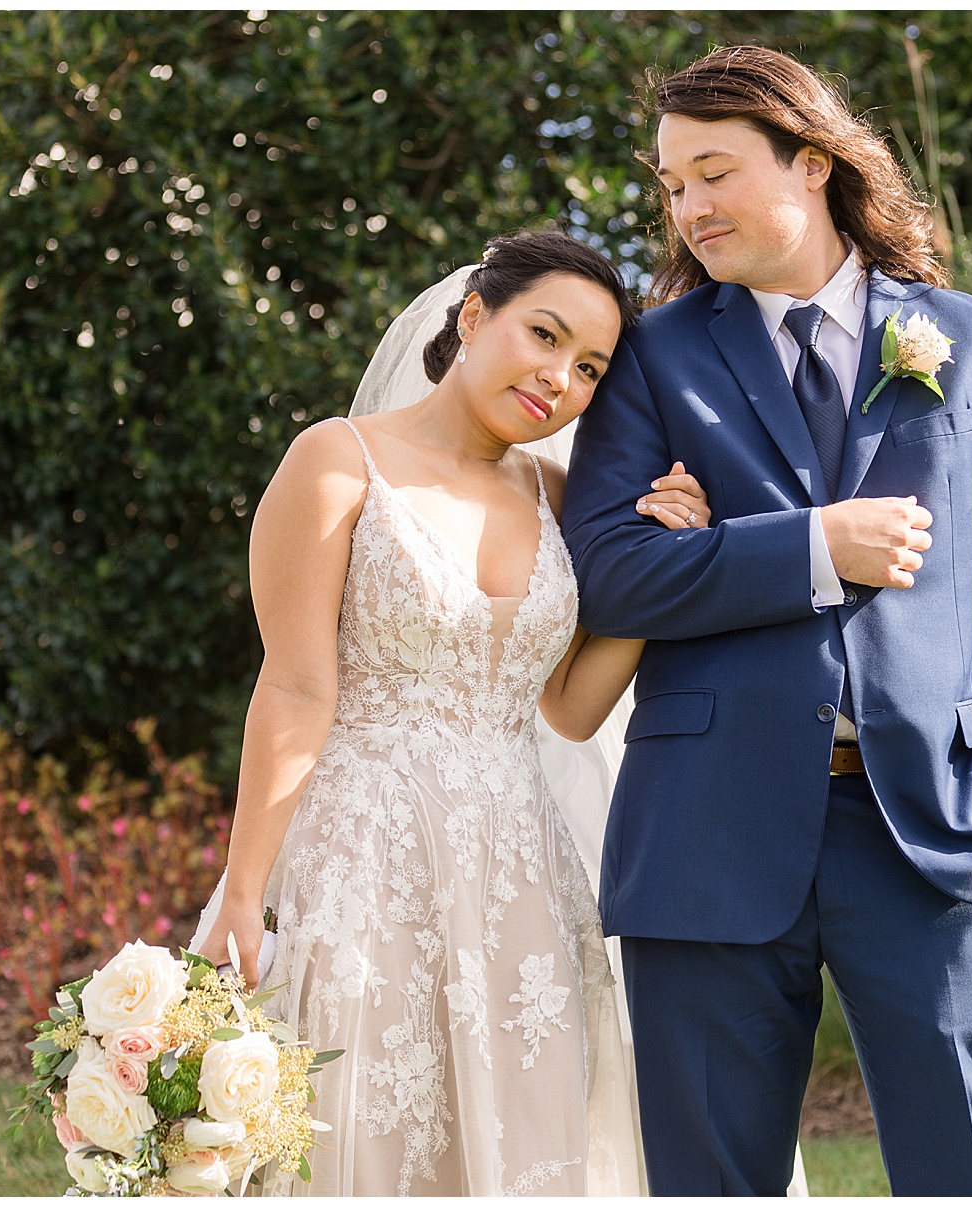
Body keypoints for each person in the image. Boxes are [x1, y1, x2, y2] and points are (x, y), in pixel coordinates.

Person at [561, 46, 972, 1196]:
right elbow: (608, 578)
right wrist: (812, 546)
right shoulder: (649, 358)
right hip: (702, 835)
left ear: (811, 161)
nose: (688, 207)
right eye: (670, 184)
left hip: (934, 830)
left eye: (712, 172)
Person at [191, 229, 714, 1195]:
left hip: (519, 871)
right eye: (544, 335)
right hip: (364, 856)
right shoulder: (338, 464)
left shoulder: (564, 499)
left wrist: (658, 574)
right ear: (474, 316)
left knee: (518, 1140)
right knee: (362, 1132)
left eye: (590, 366)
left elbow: (567, 708)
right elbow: (296, 691)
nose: (560, 378)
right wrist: (242, 888)